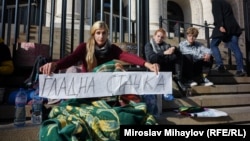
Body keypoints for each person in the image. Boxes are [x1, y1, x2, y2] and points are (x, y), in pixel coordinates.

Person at [40, 20, 159, 76]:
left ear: (107, 34)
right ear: (93, 34)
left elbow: (126, 56)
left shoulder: (112, 48)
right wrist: (54, 65)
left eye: (104, 33)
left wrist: (147, 64)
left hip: (106, 84)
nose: (101, 36)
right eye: (98, 33)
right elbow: (71, 59)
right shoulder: (84, 47)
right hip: (88, 84)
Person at [144, 28, 186, 93]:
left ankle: (178, 78)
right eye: (158, 36)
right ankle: (177, 83)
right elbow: (152, 58)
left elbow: (171, 56)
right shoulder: (149, 45)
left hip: (165, 66)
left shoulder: (165, 45)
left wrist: (174, 48)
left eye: (162, 37)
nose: (160, 38)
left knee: (179, 55)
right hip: (154, 67)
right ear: (154, 36)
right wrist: (164, 53)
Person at [210, 0, 246, 76]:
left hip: (224, 26)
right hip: (233, 28)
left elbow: (218, 14)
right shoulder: (226, 3)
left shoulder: (216, 2)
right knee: (235, 48)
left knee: (213, 45)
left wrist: (220, 25)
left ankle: (220, 65)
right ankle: (241, 69)